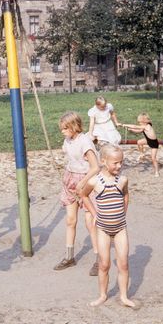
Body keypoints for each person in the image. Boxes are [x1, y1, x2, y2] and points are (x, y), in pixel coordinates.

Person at [81, 144, 136, 308]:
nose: (119, 166)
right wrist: (94, 214)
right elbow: (83, 195)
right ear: (104, 161)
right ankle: (102, 295)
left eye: (121, 162)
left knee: (123, 264)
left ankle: (124, 296)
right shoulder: (95, 181)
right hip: (103, 230)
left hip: (120, 228)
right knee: (104, 264)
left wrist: (122, 213)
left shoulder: (123, 180)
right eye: (115, 163)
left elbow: (126, 195)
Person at [55, 111, 100, 275]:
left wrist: (83, 182)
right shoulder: (68, 140)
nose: (62, 131)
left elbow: (96, 167)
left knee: (90, 222)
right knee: (70, 220)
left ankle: (98, 258)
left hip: (86, 182)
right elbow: (68, 153)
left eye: (65, 128)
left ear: (74, 127)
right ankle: (69, 257)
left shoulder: (85, 142)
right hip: (70, 179)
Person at [122, 113, 160, 177]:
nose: (139, 123)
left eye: (140, 122)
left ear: (144, 121)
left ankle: (156, 171)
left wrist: (124, 125)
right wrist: (131, 130)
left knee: (153, 158)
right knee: (139, 142)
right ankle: (142, 153)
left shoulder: (147, 126)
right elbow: (138, 131)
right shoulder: (144, 126)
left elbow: (135, 126)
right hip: (148, 140)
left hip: (154, 144)